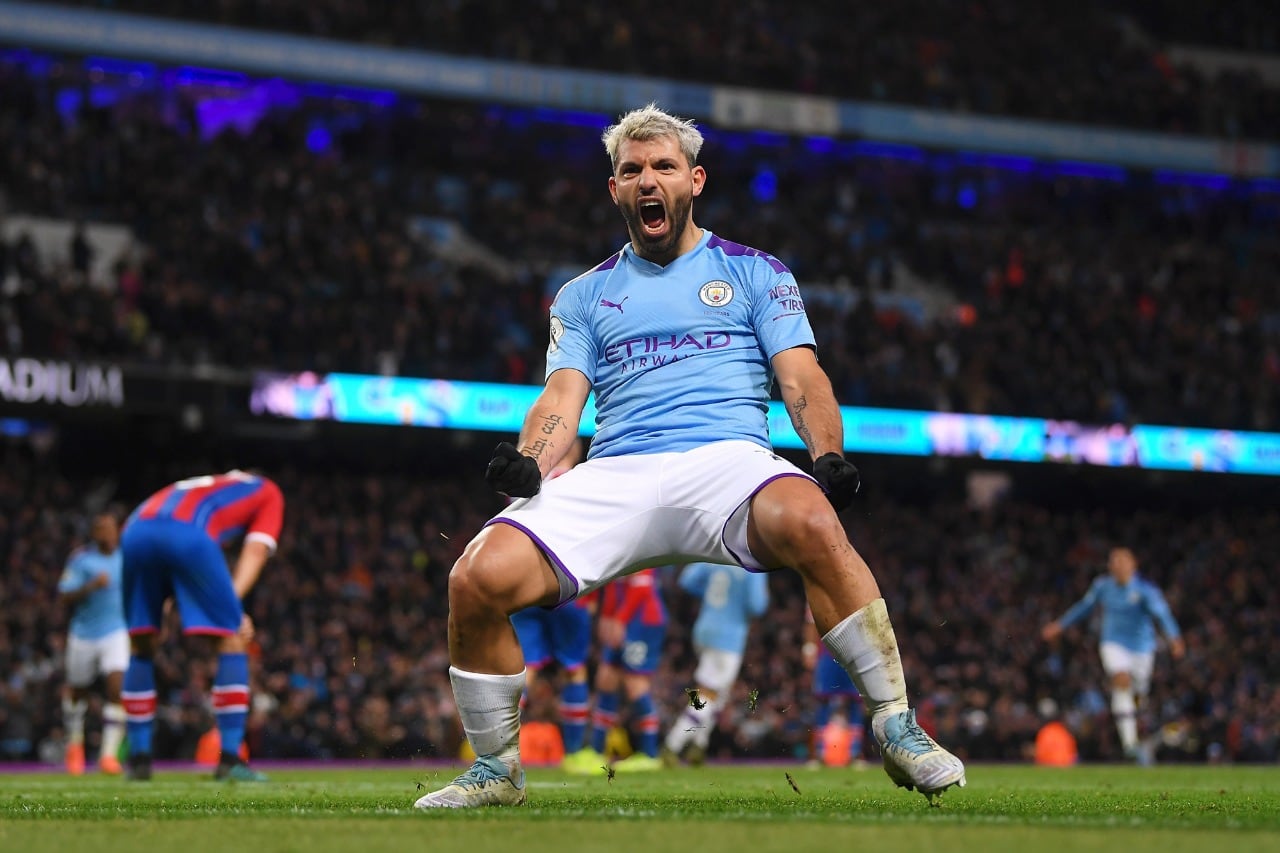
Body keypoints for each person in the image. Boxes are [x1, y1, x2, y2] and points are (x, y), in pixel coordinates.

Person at [413, 103, 965, 809]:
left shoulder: (756, 272)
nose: (649, 179)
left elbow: (801, 378)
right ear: (614, 189)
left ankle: (897, 725)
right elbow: (562, 394)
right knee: (475, 575)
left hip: (729, 460)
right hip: (618, 469)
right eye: (632, 170)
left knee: (813, 518)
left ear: (695, 179)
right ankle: (497, 769)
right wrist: (531, 458)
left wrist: (827, 455)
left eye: (663, 167)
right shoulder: (583, 295)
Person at [120, 470, 284, 782]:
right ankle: (231, 759)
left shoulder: (204, 484)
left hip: (135, 528)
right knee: (232, 638)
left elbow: (161, 537)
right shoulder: (267, 490)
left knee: (141, 643)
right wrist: (231, 608)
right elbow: (256, 550)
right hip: (187, 532)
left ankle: (139, 761)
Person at [1041, 545, 1185, 761]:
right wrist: (1060, 625)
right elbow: (1084, 606)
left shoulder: (1145, 590)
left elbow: (1162, 614)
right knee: (1121, 679)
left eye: (1121, 561)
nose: (1116, 565)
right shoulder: (1102, 586)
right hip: (1113, 643)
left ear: (1133, 565)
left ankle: (1137, 717)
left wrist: (1175, 638)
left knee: (1137, 694)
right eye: (1113, 561)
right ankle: (1130, 744)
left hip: (1143, 648)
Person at [661, 562, 769, 767]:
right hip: (729, 638)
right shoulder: (754, 564)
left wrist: (709, 593)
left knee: (717, 694)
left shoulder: (719, 555)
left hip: (705, 628)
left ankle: (698, 746)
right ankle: (673, 745)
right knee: (709, 695)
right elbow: (757, 605)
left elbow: (687, 579)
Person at [57, 512, 127, 775]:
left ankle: (108, 755)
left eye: (111, 528)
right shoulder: (81, 560)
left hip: (116, 631)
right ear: (94, 534)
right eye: (102, 529)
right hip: (83, 633)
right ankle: (74, 744)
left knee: (116, 686)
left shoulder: (125, 559)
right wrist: (90, 586)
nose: (108, 534)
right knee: (77, 692)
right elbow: (63, 597)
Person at [578, 568, 668, 773]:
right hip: (623, 617)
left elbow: (642, 587)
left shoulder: (642, 542)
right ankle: (597, 751)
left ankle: (650, 754)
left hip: (643, 620)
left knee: (634, 684)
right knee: (606, 679)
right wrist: (607, 616)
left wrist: (618, 618)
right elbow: (613, 581)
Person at [803, 607, 865, 768]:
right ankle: (819, 753)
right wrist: (809, 648)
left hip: (852, 655)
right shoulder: (819, 589)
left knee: (855, 702)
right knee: (822, 701)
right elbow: (811, 621)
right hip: (827, 654)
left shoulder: (856, 587)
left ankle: (855, 753)